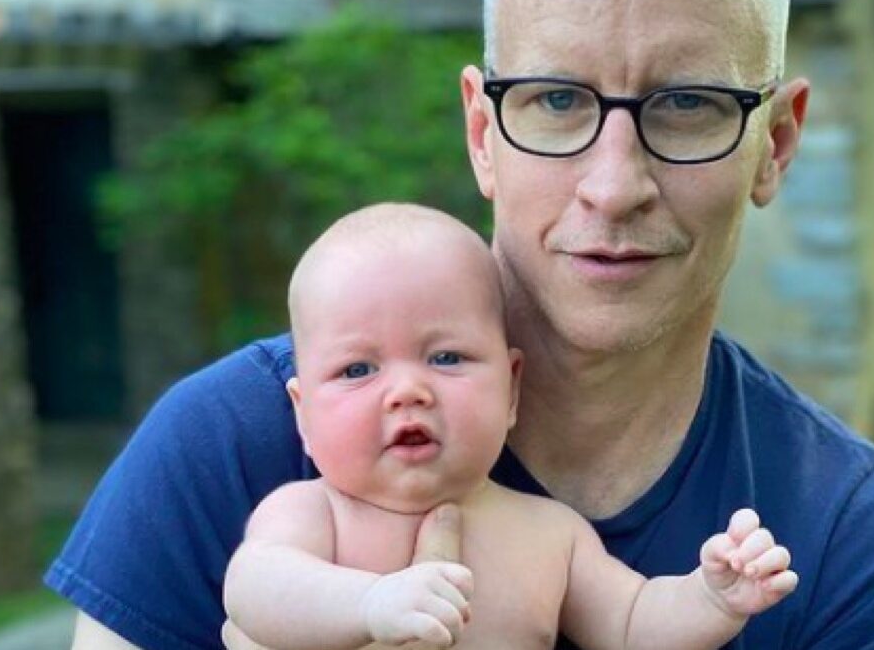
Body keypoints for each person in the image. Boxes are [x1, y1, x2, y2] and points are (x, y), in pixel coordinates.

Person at [49, 0, 874, 648]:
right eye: (558, 99)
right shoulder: (228, 447)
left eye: (688, 103)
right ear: (482, 132)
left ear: (773, 144)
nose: (614, 186)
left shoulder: (857, 549)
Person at [223, 202, 797, 650]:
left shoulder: (550, 534)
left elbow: (633, 622)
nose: (407, 392)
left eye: (446, 358)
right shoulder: (313, 513)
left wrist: (712, 599)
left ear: (512, 389)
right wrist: (372, 603)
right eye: (357, 369)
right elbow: (256, 590)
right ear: (302, 413)